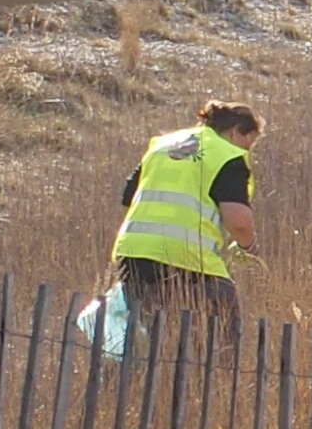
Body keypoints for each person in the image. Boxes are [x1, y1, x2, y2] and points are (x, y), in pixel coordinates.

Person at [110, 102, 259, 342]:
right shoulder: (227, 154)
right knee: (221, 331)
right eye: (248, 143)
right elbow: (239, 221)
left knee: (146, 336)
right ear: (235, 132)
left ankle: (138, 376)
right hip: (188, 257)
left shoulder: (161, 146)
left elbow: (129, 195)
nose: (247, 152)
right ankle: (212, 376)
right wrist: (248, 247)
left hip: (134, 254)